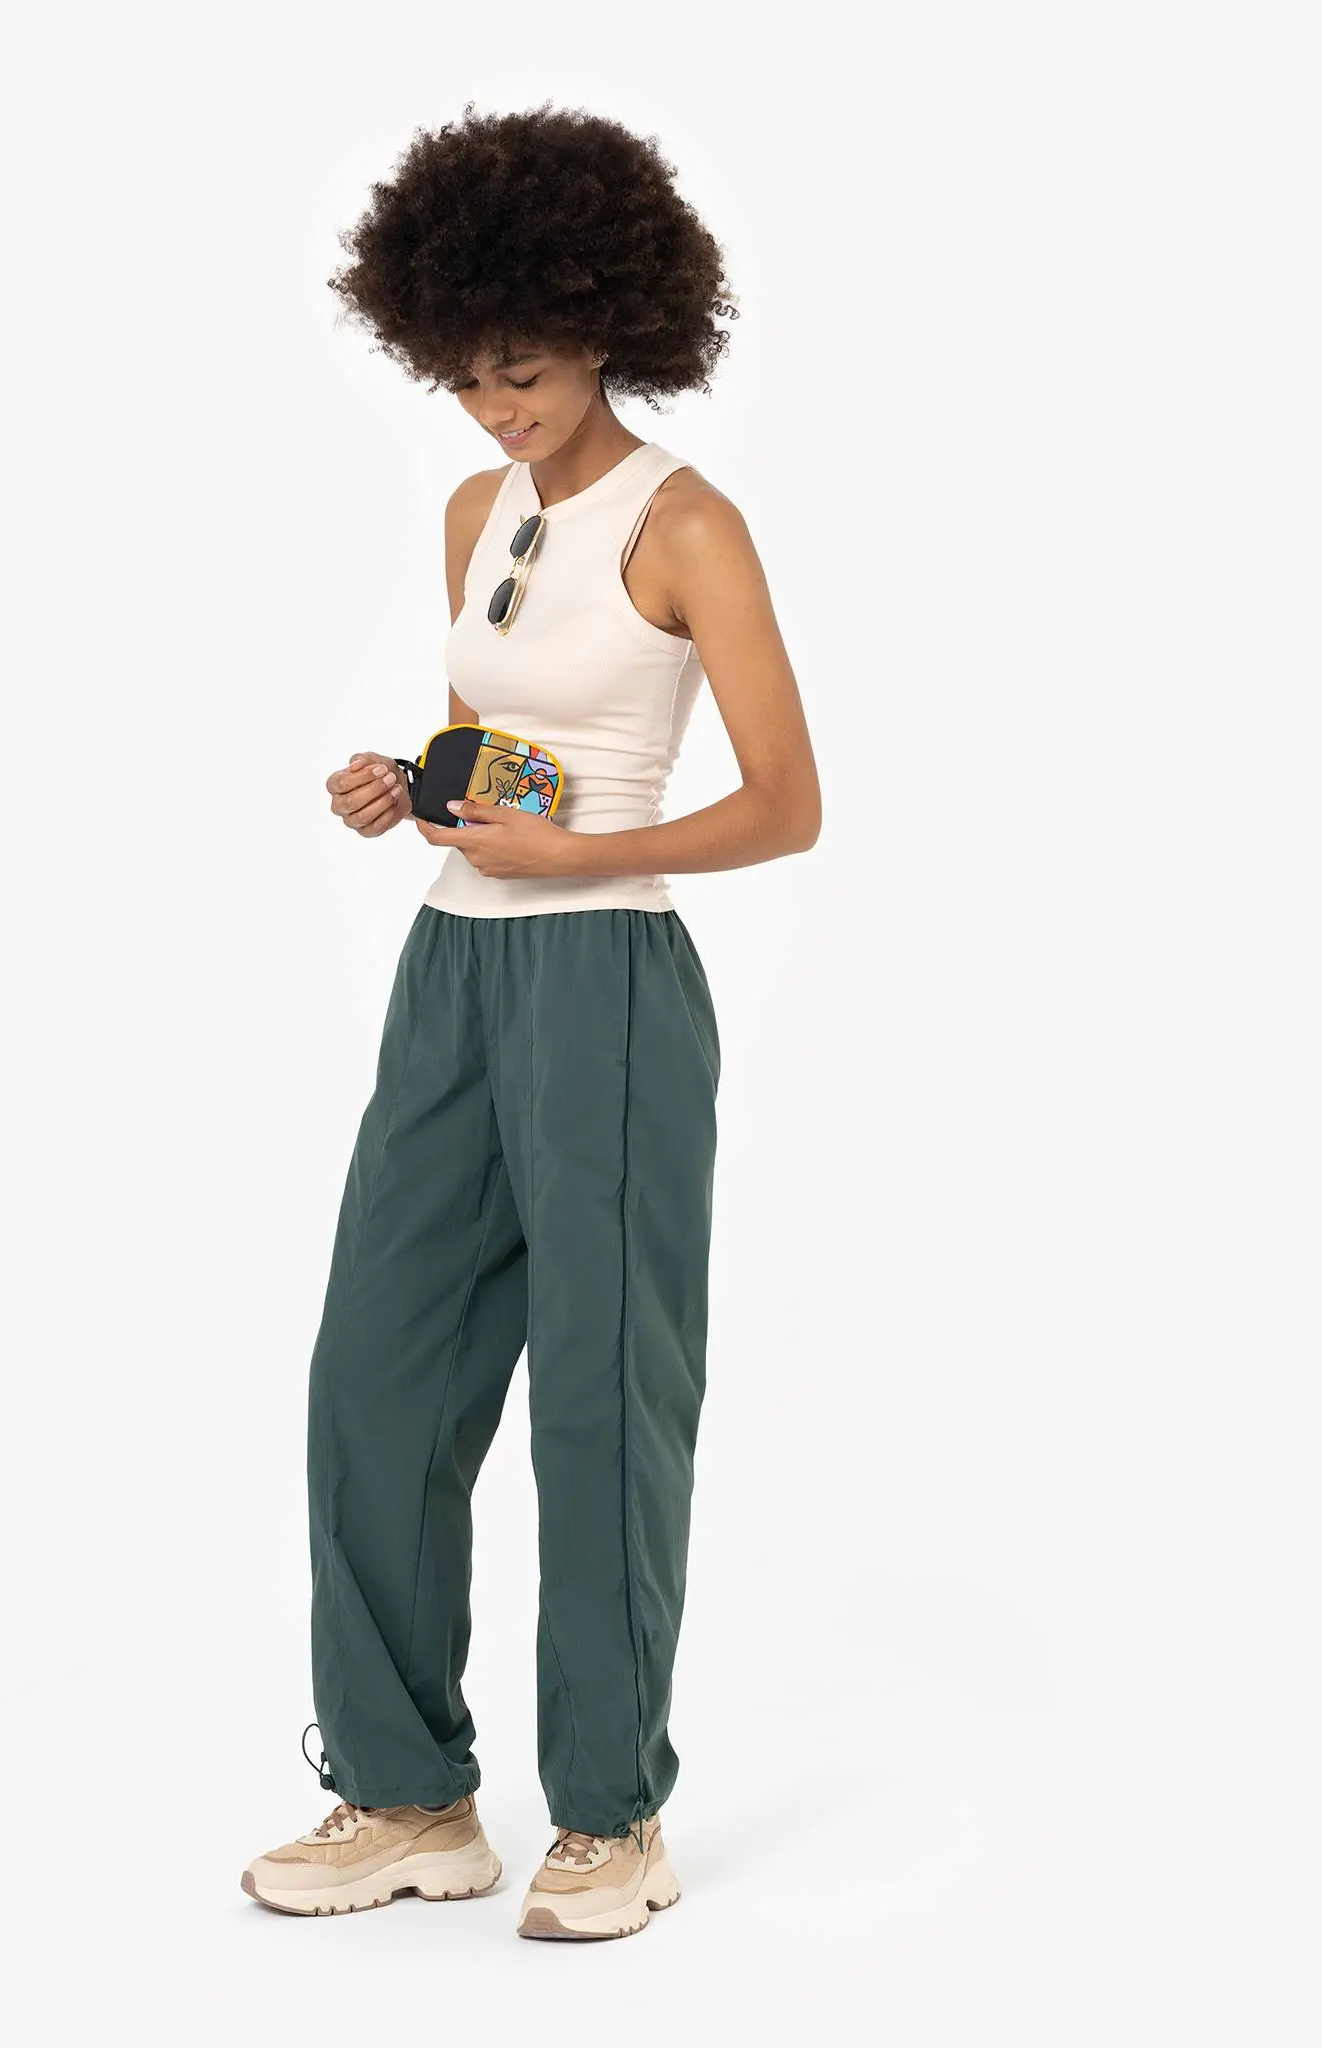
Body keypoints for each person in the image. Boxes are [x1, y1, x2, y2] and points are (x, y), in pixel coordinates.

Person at [241, 102, 821, 1941]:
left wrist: (583, 858)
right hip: (454, 966)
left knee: (599, 1393)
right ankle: (407, 1792)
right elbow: (501, 746)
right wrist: (409, 784)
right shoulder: (472, 512)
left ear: (609, 329)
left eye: (528, 371)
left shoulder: (688, 524)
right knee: (375, 1373)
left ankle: (610, 1818)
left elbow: (786, 805)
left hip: (606, 983)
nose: (496, 408)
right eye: (467, 375)